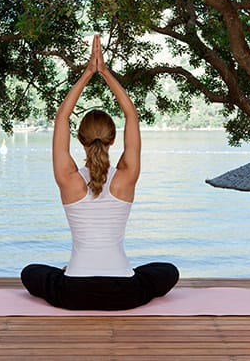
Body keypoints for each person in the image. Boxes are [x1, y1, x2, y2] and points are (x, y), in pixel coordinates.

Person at [21, 35, 179, 310]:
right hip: (124, 293)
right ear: (113, 140)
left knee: (30, 272)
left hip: (73, 292)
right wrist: (105, 72)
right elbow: (132, 115)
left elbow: (61, 117)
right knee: (168, 270)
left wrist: (87, 73)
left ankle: (67, 269)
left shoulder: (68, 179)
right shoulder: (126, 177)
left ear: (81, 140)